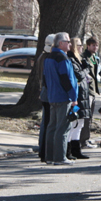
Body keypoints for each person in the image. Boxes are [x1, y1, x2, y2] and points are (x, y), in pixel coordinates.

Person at [43, 32, 77, 165]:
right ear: (61, 43)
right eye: (68, 42)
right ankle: (60, 157)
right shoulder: (62, 58)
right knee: (62, 128)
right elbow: (66, 79)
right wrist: (73, 97)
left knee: (52, 127)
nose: (70, 44)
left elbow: (45, 79)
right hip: (63, 97)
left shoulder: (48, 57)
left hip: (52, 96)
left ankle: (50, 157)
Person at [66, 37, 91, 160]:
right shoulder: (71, 59)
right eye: (80, 45)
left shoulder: (79, 60)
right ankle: (68, 150)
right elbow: (79, 75)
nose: (82, 47)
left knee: (80, 123)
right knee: (74, 123)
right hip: (77, 97)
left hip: (83, 96)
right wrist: (86, 70)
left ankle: (76, 150)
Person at [36, 34, 56, 162]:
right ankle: (44, 150)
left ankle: (43, 149)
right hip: (47, 93)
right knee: (48, 122)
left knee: (46, 122)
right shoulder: (46, 58)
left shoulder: (42, 57)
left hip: (44, 92)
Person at [80, 37, 101, 148]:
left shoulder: (95, 58)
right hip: (86, 91)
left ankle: (85, 139)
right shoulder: (84, 57)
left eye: (96, 45)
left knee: (90, 116)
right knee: (86, 117)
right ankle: (83, 140)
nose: (95, 47)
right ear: (88, 46)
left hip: (93, 91)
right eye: (93, 45)